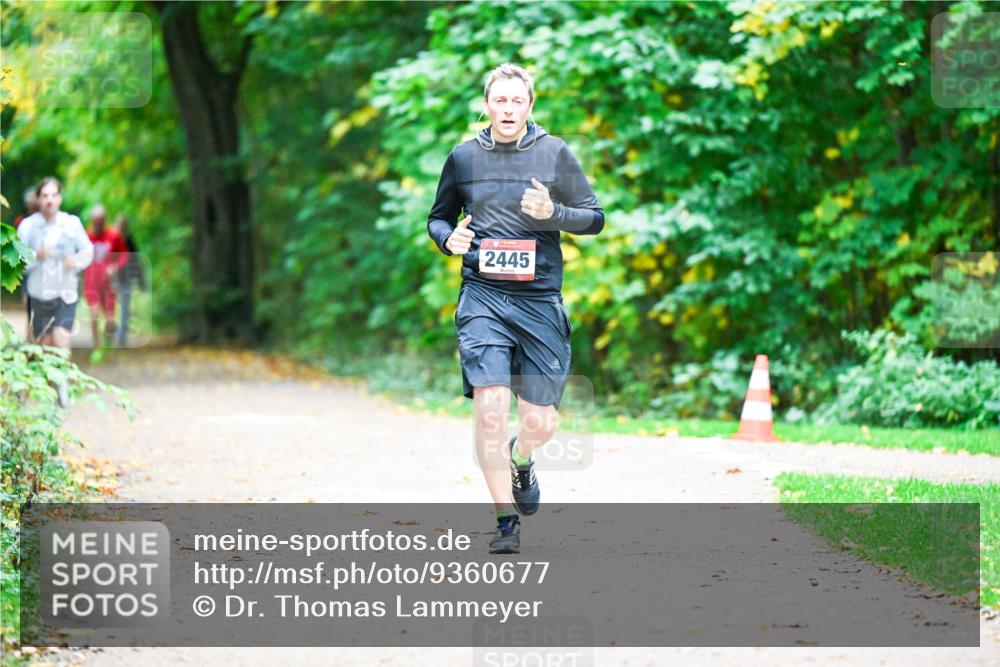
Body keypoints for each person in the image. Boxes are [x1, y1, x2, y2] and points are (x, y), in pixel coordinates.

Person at [427, 64, 604, 553]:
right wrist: (450, 239)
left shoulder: (553, 153)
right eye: (498, 101)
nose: (507, 110)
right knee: (489, 409)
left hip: (539, 300)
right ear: (486, 105)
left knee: (541, 421)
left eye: (516, 101)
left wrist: (555, 215)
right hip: (483, 295)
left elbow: (594, 217)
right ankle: (505, 522)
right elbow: (438, 218)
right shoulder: (463, 158)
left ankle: (521, 458)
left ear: (530, 106)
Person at [17, 177, 94, 406]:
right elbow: (17, 262)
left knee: (61, 338)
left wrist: (75, 261)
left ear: (60, 198)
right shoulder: (28, 226)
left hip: (65, 291)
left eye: (53, 195)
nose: (49, 200)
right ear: (38, 200)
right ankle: (46, 386)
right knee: (44, 344)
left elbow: (88, 252)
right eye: (45, 196)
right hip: (38, 293)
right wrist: (34, 256)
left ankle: (62, 389)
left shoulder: (72, 224)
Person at [82, 204, 128, 348]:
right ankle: (96, 344)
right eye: (95, 221)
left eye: (101, 221)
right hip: (91, 281)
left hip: (108, 282)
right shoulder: (86, 236)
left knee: (109, 319)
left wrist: (115, 266)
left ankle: (108, 339)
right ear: (91, 220)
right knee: (94, 312)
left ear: (105, 220)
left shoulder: (114, 236)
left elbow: (124, 255)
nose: (98, 224)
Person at [113, 214, 145, 347]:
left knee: (124, 309)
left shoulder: (129, 241)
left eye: (123, 225)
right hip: (112, 279)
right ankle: (111, 335)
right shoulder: (111, 239)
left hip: (126, 278)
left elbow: (136, 261)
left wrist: (141, 280)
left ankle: (121, 338)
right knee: (110, 309)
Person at [14, 187, 39, 339]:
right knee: (27, 301)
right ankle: (29, 332)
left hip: (42, 268)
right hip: (27, 267)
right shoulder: (21, 221)